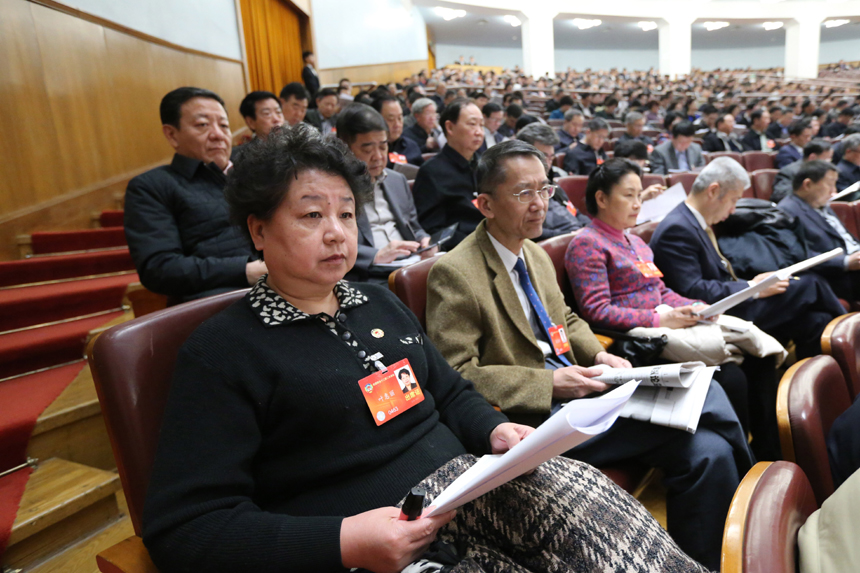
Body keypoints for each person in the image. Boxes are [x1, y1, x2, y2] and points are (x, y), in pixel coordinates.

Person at [141, 124, 708, 573]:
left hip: (471, 481)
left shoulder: (374, 303)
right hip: (381, 534)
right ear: (259, 231)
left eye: (345, 213)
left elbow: (450, 389)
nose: (338, 232)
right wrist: (342, 542)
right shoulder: (223, 352)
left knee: (605, 526)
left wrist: (494, 430)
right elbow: (186, 528)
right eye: (312, 215)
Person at [425, 140, 752, 570]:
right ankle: (754, 498)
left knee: (708, 452)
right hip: (539, 417)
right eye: (524, 193)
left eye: (544, 189)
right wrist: (549, 383)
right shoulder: (455, 271)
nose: (539, 204)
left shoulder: (535, 253)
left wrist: (602, 356)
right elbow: (454, 374)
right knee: (706, 399)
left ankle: (706, 562)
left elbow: (568, 319)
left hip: (584, 388)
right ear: (484, 203)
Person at [566, 158, 780, 459]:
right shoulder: (587, 244)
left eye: (640, 195)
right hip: (638, 344)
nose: (637, 204)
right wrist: (658, 318)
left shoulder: (636, 242)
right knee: (732, 376)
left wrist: (695, 306)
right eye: (628, 195)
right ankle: (742, 464)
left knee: (760, 358)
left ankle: (769, 452)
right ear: (601, 198)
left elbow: (661, 290)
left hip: (667, 328)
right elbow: (596, 311)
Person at [650, 158, 845, 359]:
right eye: (734, 200)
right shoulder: (677, 228)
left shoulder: (691, 221)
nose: (734, 209)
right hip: (716, 314)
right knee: (811, 283)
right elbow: (693, 290)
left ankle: (817, 383)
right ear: (714, 191)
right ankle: (851, 331)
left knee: (816, 321)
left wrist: (754, 285)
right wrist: (752, 288)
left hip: (730, 301)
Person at [124, 87, 265, 302]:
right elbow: (159, 268)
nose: (218, 134)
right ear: (172, 135)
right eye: (202, 125)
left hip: (283, 289)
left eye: (224, 125)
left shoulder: (253, 175)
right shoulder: (151, 187)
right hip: (219, 303)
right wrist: (247, 271)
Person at [336, 104, 435, 283]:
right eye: (367, 150)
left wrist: (424, 241)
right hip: (367, 276)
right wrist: (376, 255)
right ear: (345, 149)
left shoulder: (397, 180)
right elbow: (333, 246)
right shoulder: (335, 190)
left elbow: (414, 227)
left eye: (383, 147)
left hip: (409, 265)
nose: (378, 157)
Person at [778, 160, 860, 300]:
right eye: (829, 184)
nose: (834, 191)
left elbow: (844, 238)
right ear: (807, 184)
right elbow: (799, 256)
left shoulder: (820, 204)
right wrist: (845, 262)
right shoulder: (786, 211)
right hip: (836, 276)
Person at [413, 98, 485, 248]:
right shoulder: (431, 172)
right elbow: (433, 228)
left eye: (481, 125)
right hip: (464, 250)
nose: (479, 132)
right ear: (450, 128)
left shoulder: (487, 166)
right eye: (472, 124)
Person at [515, 123, 590, 239]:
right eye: (543, 156)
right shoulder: (517, 191)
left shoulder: (552, 186)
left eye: (551, 158)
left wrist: (590, 228)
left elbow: (574, 211)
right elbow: (525, 230)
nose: (548, 163)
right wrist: (569, 236)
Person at [771, 139, 833, 204]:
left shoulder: (823, 172)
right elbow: (780, 195)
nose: (829, 162)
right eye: (827, 159)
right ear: (813, 157)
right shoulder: (789, 171)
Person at [371, 94, 423, 168]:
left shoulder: (411, 146)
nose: (397, 124)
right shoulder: (369, 152)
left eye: (399, 118)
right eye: (391, 119)